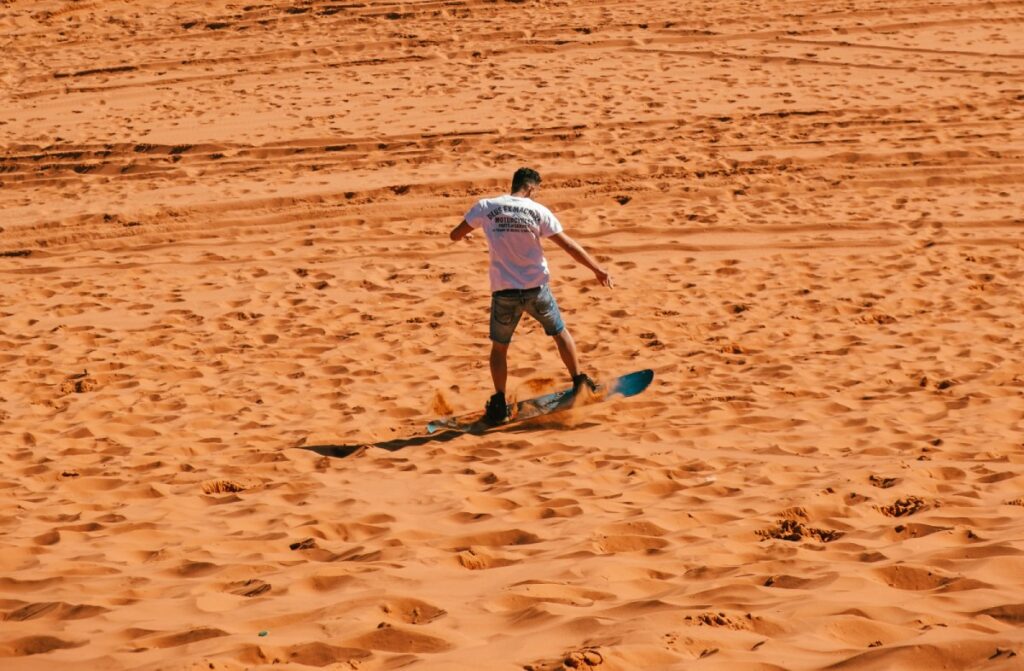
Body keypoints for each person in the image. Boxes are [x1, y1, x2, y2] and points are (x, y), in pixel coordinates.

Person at [449, 167, 614, 425]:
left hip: (504, 292)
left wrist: (469, 234)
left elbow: (455, 234)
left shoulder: (485, 206)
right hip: (537, 289)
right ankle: (579, 380)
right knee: (560, 333)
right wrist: (597, 269)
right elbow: (569, 246)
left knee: (500, 348)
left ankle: (499, 402)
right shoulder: (538, 211)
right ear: (530, 188)